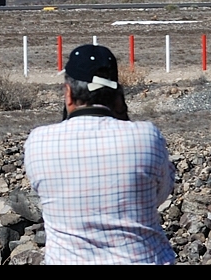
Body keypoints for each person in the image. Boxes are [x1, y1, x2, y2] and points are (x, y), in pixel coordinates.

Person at [24, 44, 176, 264]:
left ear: (68, 93)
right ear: (116, 95)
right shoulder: (146, 136)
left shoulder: (38, 142)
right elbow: (159, 195)